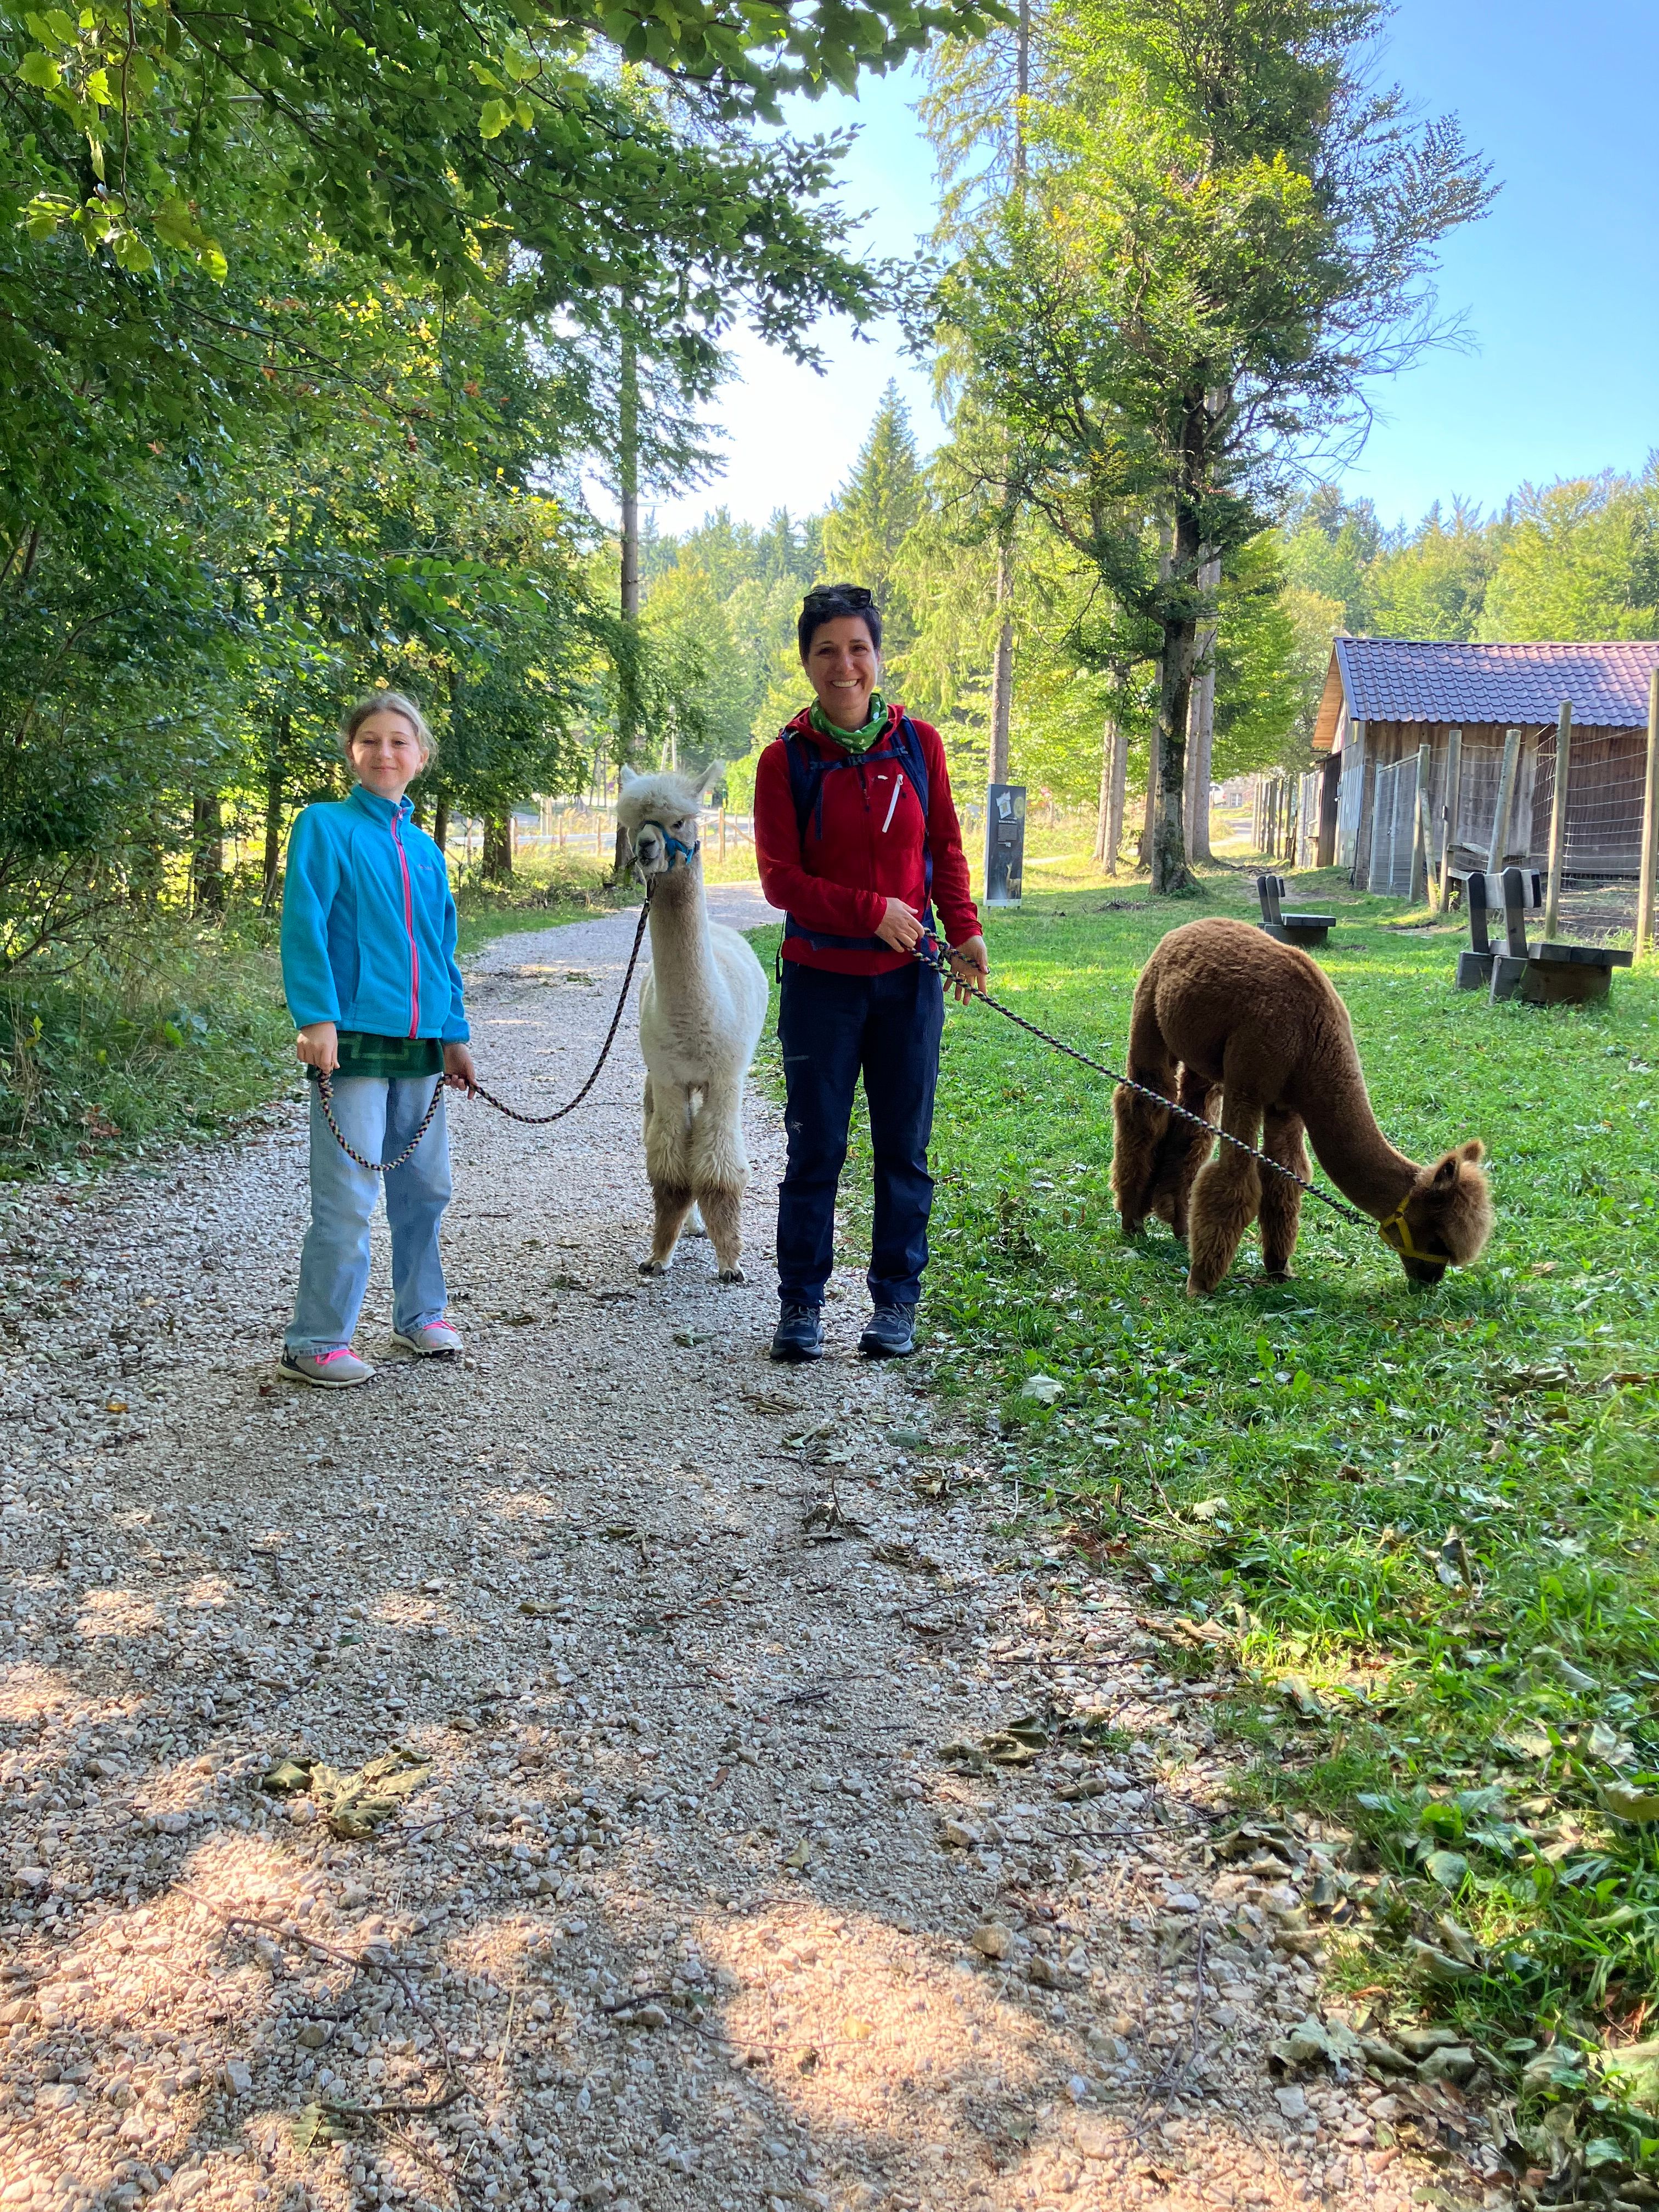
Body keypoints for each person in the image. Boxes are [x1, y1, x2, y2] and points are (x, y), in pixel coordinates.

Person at [754, 583, 989, 1363]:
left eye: (858, 648)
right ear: (807, 663)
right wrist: (872, 912)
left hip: (908, 985)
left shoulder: (919, 745)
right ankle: (801, 1303)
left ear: (878, 657)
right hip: (821, 985)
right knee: (815, 1148)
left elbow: (945, 847)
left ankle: (895, 1301)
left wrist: (965, 932)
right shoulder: (784, 761)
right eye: (827, 650)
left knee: (903, 1148)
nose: (844, 665)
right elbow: (781, 882)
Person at [278, 692, 477, 1387]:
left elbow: (440, 949)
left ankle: (420, 1315)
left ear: (420, 756)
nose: (384, 752)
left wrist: (454, 1034)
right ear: (351, 752)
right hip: (353, 1043)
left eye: (399, 741)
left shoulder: (425, 850)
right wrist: (316, 1017)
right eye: (370, 739)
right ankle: (316, 1339)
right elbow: (304, 923)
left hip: (421, 1047)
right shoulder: (324, 826)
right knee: (349, 1197)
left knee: (425, 1189)